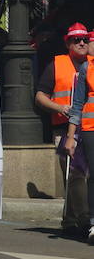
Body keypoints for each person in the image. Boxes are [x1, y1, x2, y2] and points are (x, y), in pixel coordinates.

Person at [34, 22, 90, 237]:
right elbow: (40, 96)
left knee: (83, 176)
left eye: (85, 39)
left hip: (88, 127)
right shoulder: (56, 65)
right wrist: (60, 108)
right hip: (63, 127)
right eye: (77, 40)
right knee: (76, 174)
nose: (82, 43)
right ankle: (83, 219)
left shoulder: (92, 64)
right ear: (68, 43)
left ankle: (70, 219)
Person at [66, 53, 94, 245]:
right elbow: (77, 104)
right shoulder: (87, 67)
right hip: (91, 128)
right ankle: (93, 222)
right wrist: (70, 136)